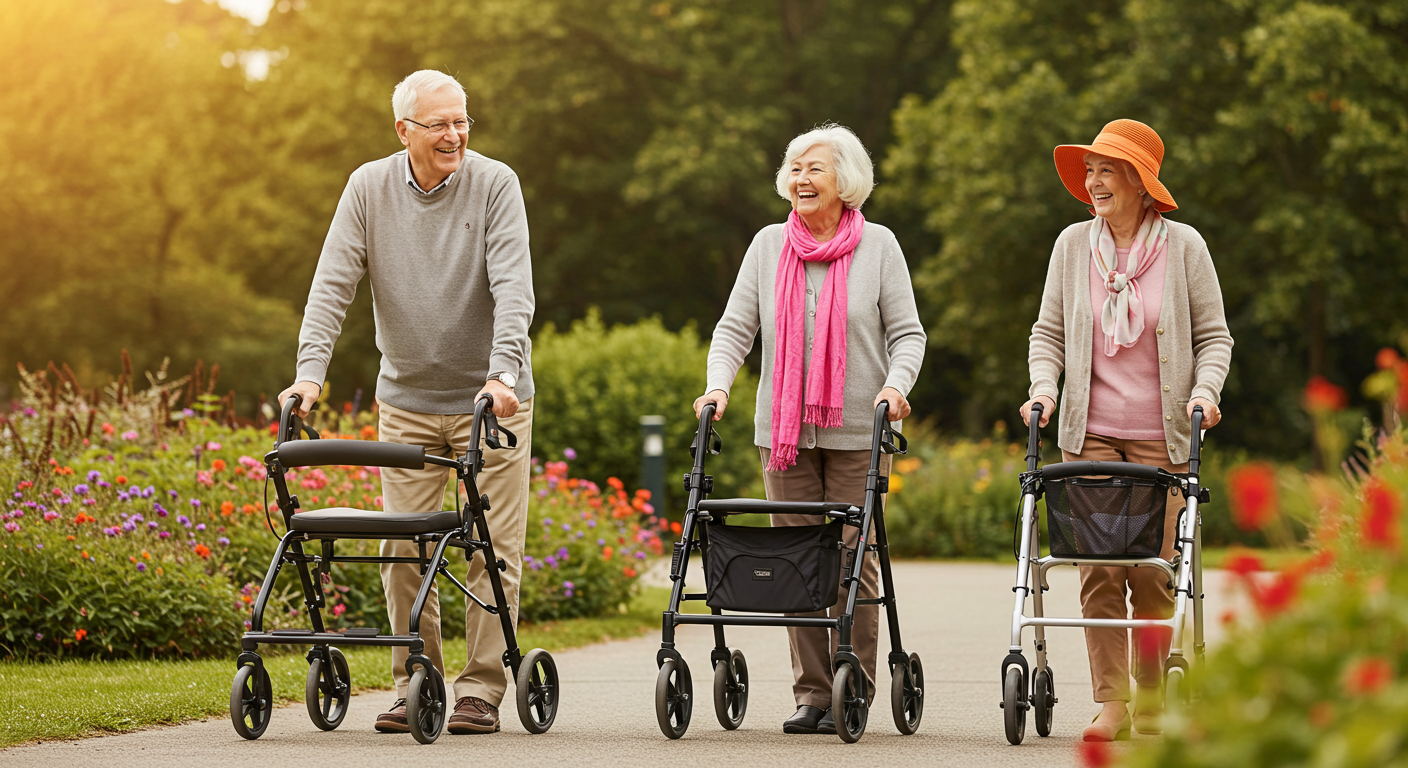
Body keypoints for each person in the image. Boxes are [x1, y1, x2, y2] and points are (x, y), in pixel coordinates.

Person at [278, 69, 535, 736]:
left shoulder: (496, 183)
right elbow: (331, 283)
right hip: (409, 401)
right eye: (439, 123)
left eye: (462, 121)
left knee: (492, 548)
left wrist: (503, 374)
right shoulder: (369, 187)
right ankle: (414, 679)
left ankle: (481, 689)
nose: (454, 134)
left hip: (492, 403)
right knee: (403, 550)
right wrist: (310, 375)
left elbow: (514, 287)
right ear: (404, 131)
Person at [696, 122, 926, 735]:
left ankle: (854, 682)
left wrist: (895, 387)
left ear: (844, 181)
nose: (800, 178)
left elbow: (908, 334)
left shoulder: (878, 246)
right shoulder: (769, 244)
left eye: (814, 168)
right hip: (785, 432)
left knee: (855, 560)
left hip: (859, 431)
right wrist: (718, 384)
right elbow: (734, 328)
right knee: (796, 560)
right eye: (794, 168)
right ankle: (813, 694)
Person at [1021, 119, 1233, 741]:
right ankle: (1111, 702)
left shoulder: (1184, 247)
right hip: (1088, 434)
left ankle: (1150, 691)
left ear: (1141, 182)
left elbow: (1214, 337)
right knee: (1099, 570)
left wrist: (1204, 392)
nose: (1093, 182)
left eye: (1106, 170)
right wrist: (1044, 389)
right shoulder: (1070, 246)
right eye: (1089, 171)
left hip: (1161, 436)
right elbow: (1048, 335)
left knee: (1152, 569)